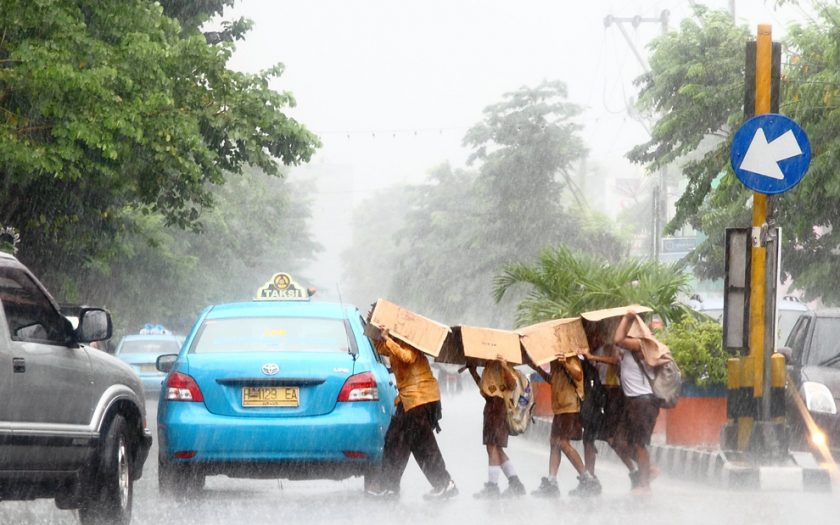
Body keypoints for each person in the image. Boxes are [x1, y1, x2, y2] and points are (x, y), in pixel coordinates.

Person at [366, 327, 458, 500]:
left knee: (423, 445)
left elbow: (407, 357)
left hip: (421, 399)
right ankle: (389, 485)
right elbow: (381, 347)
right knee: (394, 439)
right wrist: (376, 332)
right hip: (407, 401)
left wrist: (387, 338)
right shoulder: (393, 342)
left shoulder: (411, 342)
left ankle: (445, 484)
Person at [529, 354, 601, 497]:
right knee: (554, 443)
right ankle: (552, 482)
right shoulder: (555, 358)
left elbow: (578, 375)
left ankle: (586, 479)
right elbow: (553, 380)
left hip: (570, 406)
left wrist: (565, 363)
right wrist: (535, 367)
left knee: (562, 442)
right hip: (559, 407)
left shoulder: (569, 357)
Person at [612, 310, 663, 494]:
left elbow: (617, 339)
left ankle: (645, 484)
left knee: (639, 443)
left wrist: (627, 317)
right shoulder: (629, 348)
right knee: (618, 441)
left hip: (643, 401)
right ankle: (648, 469)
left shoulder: (641, 344)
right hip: (632, 401)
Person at [465, 355, 526, 498]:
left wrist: (504, 366)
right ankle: (515, 483)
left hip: (497, 408)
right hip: (492, 406)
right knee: (495, 448)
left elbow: (512, 384)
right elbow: (486, 391)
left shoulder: (502, 364)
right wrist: (473, 372)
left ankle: (493, 487)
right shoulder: (489, 365)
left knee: (492, 446)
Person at [579, 322, 631, 485]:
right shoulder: (590, 352)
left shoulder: (610, 348)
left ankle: (636, 469)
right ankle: (590, 476)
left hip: (613, 394)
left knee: (612, 438)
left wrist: (593, 358)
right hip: (598, 395)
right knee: (588, 437)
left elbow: (615, 360)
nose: (594, 339)